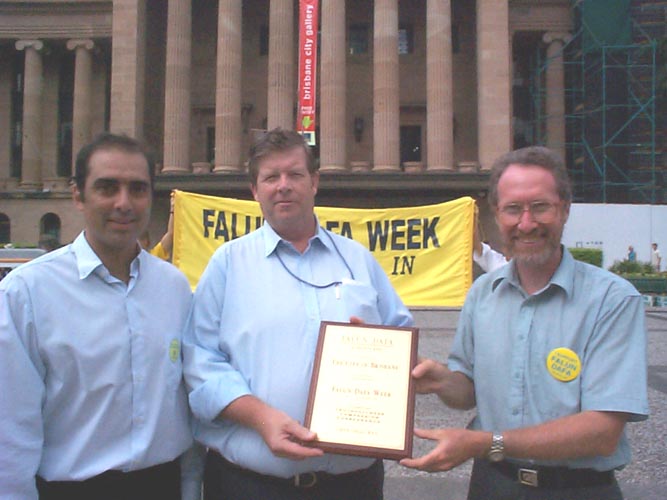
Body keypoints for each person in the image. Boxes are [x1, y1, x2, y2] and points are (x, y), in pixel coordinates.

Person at [400, 146, 649, 500]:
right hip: (492, 486)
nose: (527, 223)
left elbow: (602, 431)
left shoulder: (612, 299)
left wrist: (485, 443)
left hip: (578, 491)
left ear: (565, 209)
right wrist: (441, 380)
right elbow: (468, 391)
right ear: (497, 213)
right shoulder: (482, 294)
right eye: (513, 209)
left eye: (541, 207)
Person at [183, 127, 413, 500]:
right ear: (255, 190)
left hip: (352, 487)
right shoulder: (228, 264)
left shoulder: (357, 260)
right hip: (251, 487)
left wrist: (398, 365)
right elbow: (199, 362)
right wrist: (261, 418)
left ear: (314, 182)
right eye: (271, 177)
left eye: (295, 174)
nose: (283, 186)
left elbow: (401, 339)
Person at [0, 132, 193, 500]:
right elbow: (10, 428)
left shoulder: (174, 288)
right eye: (107, 188)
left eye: (138, 189)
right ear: (78, 195)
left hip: (161, 485)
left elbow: (182, 408)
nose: (124, 203)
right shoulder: (27, 292)